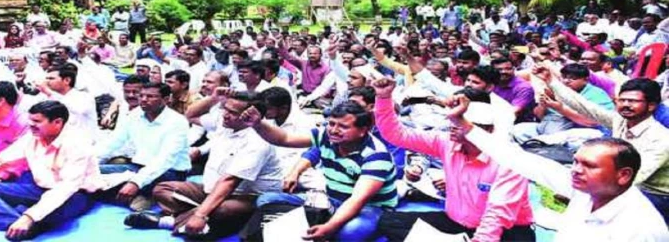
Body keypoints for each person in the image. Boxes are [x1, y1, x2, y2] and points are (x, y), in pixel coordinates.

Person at [449, 93, 669, 240]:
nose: (576, 170)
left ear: (623, 175)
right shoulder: (588, 189)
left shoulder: (641, 227)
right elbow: (520, 160)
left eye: (589, 166)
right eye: (575, 162)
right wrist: (465, 126)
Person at [372, 80, 535, 241]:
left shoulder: (509, 158)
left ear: (488, 129)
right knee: (390, 222)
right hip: (457, 223)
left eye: (462, 123)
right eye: (453, 122)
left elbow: (497, 216)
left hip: (507, 231)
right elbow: (397, 134)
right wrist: (384, 98)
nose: (455, 128)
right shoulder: (446, 142)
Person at [125, 91, 284, 238]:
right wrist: (213, 98)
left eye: (233, 113)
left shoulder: (258, 141)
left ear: (252, 117)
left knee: (222, 210)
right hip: (212, 189)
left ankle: (170, 222)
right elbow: (190, 115)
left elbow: (229, 182)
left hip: (247, 197)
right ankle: (197, 218)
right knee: (163, 189)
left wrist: (200, 215)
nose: (225, 115)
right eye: (225, 109)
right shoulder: (224, 122)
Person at [0, 101, 103, 241]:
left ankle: (8, 218)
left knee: (52, 212)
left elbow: (66, 188)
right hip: (37, 189)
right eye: (30, 120)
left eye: (37, 121)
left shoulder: (77, 143)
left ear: (57, 122)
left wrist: (29, 217)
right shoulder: (32, 137)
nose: (31, 125)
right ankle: (16, 222)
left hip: (73, 195)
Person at [244, 99, 398, 241]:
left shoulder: (376, 156)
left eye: (343, 126)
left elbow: (358, 200)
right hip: (332, 199)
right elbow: (284, 139)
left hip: (370, 208)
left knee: (349, 232)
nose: (334, 130)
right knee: (267, 200)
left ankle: (326, 221)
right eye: (331, 124)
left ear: (363, 130)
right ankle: (323, 219)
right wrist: (258, 124)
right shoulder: (326, 135)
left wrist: (329, 227)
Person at [538, 72, 669, 221]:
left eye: (632, 101)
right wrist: (551, 81)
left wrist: (582, 191)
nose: (626, 105)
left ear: (651, 106)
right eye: (622, 100)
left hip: (655, 194)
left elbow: (634, 178)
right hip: (627, 182)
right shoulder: (620, 121)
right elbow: (586, 107)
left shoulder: (662, 139)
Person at [97, 82, 191, 211]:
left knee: (115, 184)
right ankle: (141, 195)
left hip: (170, 172)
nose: (144, 100)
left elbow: (165, 160)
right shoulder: (134, 115)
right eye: (141, 95)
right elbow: (112, 142)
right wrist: (89, 164)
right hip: (137, 167)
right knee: (93, 173)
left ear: (166, 99)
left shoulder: (177, 122)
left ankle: (144, 194)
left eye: (150, 96)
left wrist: (136, 182)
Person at [34, 64, 97, 136]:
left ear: (67, 80)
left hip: (84, 142)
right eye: (46, 78)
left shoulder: (84, 96)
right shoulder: (45, 97)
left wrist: (49, 93)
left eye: (51, 78)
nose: (47, 82)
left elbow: (78, 109)